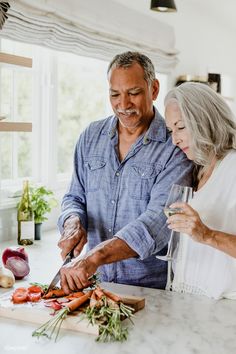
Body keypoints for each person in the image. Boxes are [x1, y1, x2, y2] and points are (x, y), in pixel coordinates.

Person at [57, 51, 193, 294]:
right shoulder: (90, 137)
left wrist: (94, 257)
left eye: (133, 93)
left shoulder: (175, 145)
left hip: (149, 290)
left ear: (153, 89)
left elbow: (158, 222)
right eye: (115, 94)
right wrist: (72, 223)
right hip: (95, 284)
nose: (123, 104)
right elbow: (74, 197)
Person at [164, 82, 236, 299]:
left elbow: (204, 236)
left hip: (225, 308)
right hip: (192, 302)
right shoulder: (199, 169)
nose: (175, 139)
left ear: (204, 119)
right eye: (171, 130)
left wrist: (207, 235)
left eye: (181, 127)